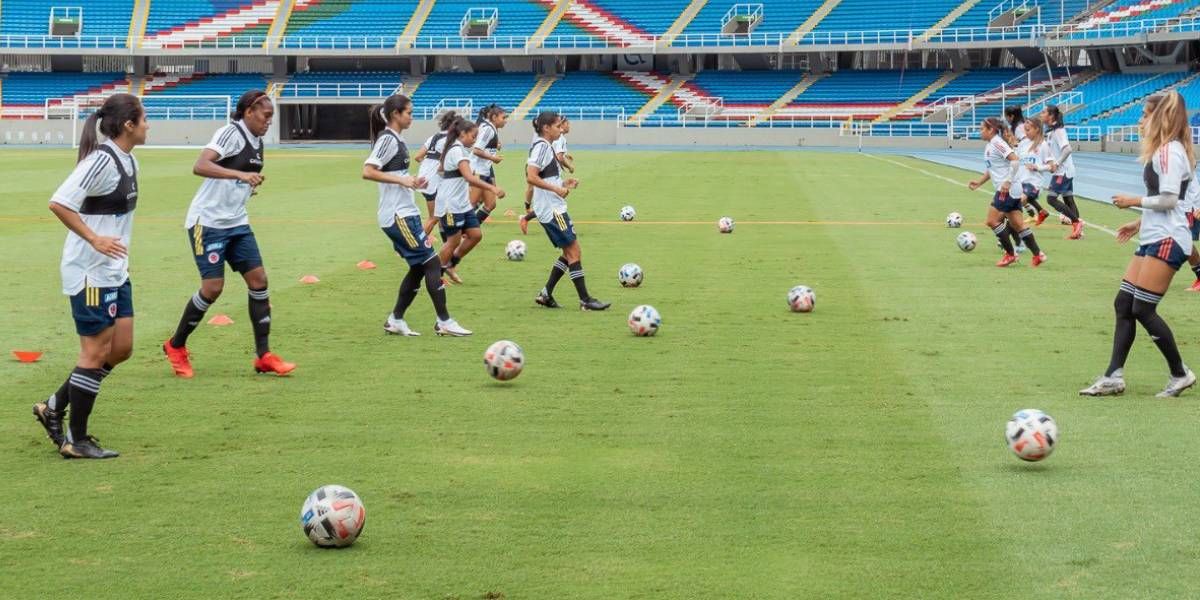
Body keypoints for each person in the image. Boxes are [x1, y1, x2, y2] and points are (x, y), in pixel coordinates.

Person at [34, 93, 147, 459]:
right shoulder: (102, 161)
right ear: (129, 125)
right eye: (144, 119)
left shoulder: (130, 161)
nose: (148, 125)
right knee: (94, 351)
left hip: (114, 269)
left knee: (121, 348)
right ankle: (75, 440)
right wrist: (94, 238)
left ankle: (53, 406)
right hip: (89, 272)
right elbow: (59, 202)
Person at [162, 90, 296, 378]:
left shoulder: (257, 140)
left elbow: (239, 172)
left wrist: (247, 185)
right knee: (212, 288)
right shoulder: (230, 133)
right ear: (249, 111)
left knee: (259, 280)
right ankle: (176, 345)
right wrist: (240, 176)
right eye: (266, 115)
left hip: (236, 222)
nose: (269, 121)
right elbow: (201, 165)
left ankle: (264, 356)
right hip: (207, 222)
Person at [1081, 92, 1195, 397]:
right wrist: (1138, 222)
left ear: (1161, 118)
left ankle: (1179, 373)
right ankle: (1113, 376)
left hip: (1169, 240)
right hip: (1155, 237)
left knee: (1143, 308)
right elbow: (1173, 202)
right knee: (1124, 304)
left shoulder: (1169, 151)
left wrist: (1134, 202)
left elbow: (1170, 199)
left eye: (1145, 115)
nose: (1140, 120)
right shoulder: (1164, 151)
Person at [363, 95, 471, 337]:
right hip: (397, 215)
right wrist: (403, 179)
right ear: (395, 115)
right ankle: (444, 321)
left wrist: (413, 182)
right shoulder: (388, 139)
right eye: (409, 113)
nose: (412, 116)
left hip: (406, 213)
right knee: (432, 262)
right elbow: (368, 171)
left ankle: (396, 319)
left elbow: (395, 174)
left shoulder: (396, 139)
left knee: (419, 267)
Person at [527, 111, 610, 311]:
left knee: (569, 252)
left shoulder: (546, 146)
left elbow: (544, 177)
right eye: (557, 125)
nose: (560, 128)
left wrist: (563, 183)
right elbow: (531, 176)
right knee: (574, 251)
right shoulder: (542, 147)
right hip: (552, 209)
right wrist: (557, 189)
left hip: (552, 206)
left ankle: (546, 294)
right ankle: (585, 300)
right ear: (546, 128)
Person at [968, 117, 1047, 268]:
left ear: (991, 130)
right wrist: (979, 182)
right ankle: (1038, 254)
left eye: (982, 129)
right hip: (1012, 189)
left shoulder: (997, 143)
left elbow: (1015, 160)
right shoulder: (991, 144)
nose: (980, 131)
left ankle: (1010, 254)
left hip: (1007, 189)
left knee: (992, 221)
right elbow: (993, 169)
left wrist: (1008, 181)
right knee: (1018, 225)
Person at [437, 117, 505, 284]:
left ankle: (451, 265)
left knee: (475, 234)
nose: (475, 140)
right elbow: (468, 176)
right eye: (473, 136)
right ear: (463, 134)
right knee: (453, 241)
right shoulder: (456, 150)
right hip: (451, 204)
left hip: (462, 204)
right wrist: (492, 188)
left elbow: (441, 170)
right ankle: (436, 276)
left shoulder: (460, 149)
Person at [1042, 105, 1084, 239]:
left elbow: (1067, 149)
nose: (1041, 114)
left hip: (1063, 171)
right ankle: (1078, 231)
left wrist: (1057, 163)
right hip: (1064, 170)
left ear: (1051, 116)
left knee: (1051, 198)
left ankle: (1077, 223)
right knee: (1068, 200)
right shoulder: (1051, 132)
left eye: (1044, 112)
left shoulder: (1059, 131)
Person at [412, 110, 457, 235]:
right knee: (434, 218)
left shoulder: (433, 137)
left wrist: (428, 167)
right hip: (433, 182)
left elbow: (418, 157)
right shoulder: (449, 140)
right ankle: (416, 245)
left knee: (442, 212)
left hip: (424, 179)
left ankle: (447, 239)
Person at [469, 104, 507, 224]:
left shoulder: (491, 128)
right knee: (469, 206)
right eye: (503, 117)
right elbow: (476, 150)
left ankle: (469, 231)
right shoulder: (488, 129)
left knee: (491, 204)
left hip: (484, 171)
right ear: (494, 117)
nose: (505, 121)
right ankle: (458, 233)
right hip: (477, 171)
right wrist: (493, 158)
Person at [1017, 117, 1053, 226]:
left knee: (1019, 200)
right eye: (1025, 130)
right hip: (1021, 180)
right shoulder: (1023, 143)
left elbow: (1052, 166)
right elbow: (1017, 160)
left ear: (1037, 129)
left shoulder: (1043, 145)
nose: (1026, 133)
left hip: (1034, 183)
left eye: (1028, 130)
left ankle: (1014, 228)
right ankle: (1041, 211)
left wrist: (1038, 167)